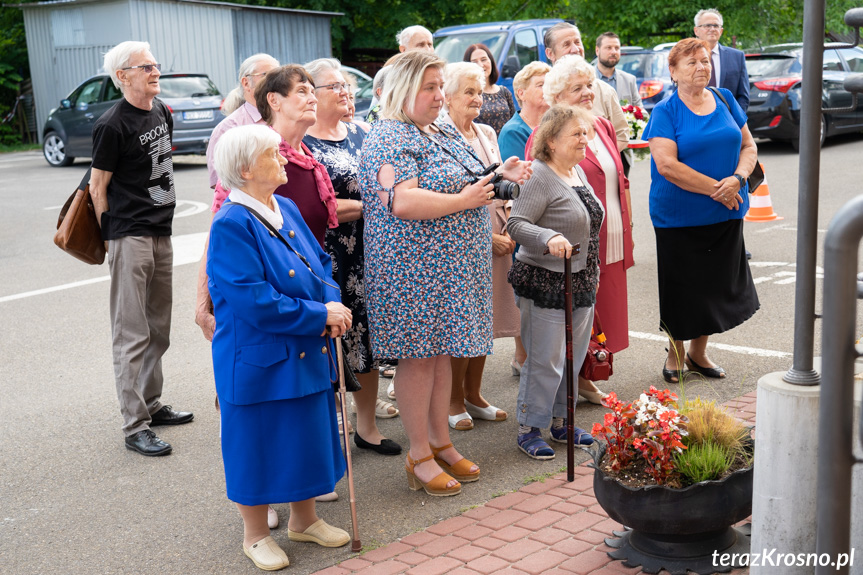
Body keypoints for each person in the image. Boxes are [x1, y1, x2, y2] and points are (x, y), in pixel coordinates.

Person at [358, 50, 521, 496]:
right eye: (429, 88)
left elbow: (469, 179)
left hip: (450, 271)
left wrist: (500, 174)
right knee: (419, 361)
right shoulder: (389, 136)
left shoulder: (438, 128)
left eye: (439, 86)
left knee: (443, 354)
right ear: (403, 89)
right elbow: (402, 201)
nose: (437, 95)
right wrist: (464, 202)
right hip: (412, 271)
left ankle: (441, 442)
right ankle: (419, 454)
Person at [208, 125, 351, 571]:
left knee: (305, 434)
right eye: (274, 154)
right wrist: (317, 316)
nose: (285, 159)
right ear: (246, 169)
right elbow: (254, 301)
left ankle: (304, 520)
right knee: (257, 444)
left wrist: (331, 300)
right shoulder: (232, 223)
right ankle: (254, 536)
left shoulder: (282, 206)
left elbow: (320, 261)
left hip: (304, 345)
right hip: (259, 356)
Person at [89, 41, 192, 457]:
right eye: (144, 66)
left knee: (157, 327)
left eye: (155, 64)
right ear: (123, 76)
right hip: (128, 235)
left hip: (161, 231)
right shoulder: (111, 125)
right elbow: (98, 187)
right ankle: (135, 425)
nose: (154, 71)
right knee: (131, 333)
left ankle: (151, 402)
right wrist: (112, 239)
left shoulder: (162, 111)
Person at [641, 38, 759, 383]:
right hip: (679, 217)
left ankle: (698, 353)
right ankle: (676, 353)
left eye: (705, 61)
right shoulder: (665, 111)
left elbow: (748, 146)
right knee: (683, 287)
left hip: (727, 212)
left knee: (714, 285)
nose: (701, 68)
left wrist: (737, 179)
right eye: (691, 63)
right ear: (673, 71)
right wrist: (717, 190)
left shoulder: (724, 98)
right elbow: (667, 166)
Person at [302, 58, 401, 456]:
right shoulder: (302, 144)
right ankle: (328, 430)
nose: (346, 92)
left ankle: (367, 426)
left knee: (368, 336)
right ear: (312, 95)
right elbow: (316, 204)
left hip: (370, 251)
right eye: (335, 87)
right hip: (330, 254)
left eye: (346, 85)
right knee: (332, 339)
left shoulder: (363, 132)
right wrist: (372, 206)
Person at [530, 55, 633, 405]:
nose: (589, 92)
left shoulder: (601, 124)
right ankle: (576, 384)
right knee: (580, 318)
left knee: (606, 310)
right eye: (578, 88)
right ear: (558, 96)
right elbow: (536, 191)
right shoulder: (545, 135)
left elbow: (618, 178)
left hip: (611, 232)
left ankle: (587, 374)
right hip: (574, 244)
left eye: (590, 85)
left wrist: (626, 222)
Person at [440, 62, 533, 430]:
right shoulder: (441, 136)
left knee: (485, 319)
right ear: (446, 95)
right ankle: (452, 400)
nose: (477, 99)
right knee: (463, 321)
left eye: (480, 92)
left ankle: (474, 394)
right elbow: (449, 196)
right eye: (468, 92)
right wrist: (485, 238)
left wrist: (509, 224)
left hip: (497, 230)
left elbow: (498, 185)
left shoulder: (483, 132)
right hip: (463, 238)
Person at [507, 105, 600, 459]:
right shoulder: (539, 176)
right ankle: (530, 426)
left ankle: (562, 420)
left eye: (584, 132)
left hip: (582, 279)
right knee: (546, 358)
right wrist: (547, 237)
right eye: (576, 133)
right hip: (546, 281)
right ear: (551, 141)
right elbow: (516, 224)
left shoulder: (575, 172)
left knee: (571, 357)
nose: (584, 139)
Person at [543, 22, 629, 152]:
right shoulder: (540, 94)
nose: (575, 49)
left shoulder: (604, 91)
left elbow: (621, 135)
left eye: (577, 42)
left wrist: (601, 160)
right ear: (550, 54)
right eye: (566, 44)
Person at [206, 54, 280, 190]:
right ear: (246, 83)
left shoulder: (286, 117)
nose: (275, 82)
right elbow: (222, 185)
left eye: (277, 76)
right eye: (266, 75)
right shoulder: (229, 128)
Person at [594, 32, 641, 176]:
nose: (613, 52)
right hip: (595, 149)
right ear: (597, 50)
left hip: (623, 152)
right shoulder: (587, 80)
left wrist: (634, 121)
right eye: (608, 47)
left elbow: (640, 110)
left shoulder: (629, 79)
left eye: (616, 48)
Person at [694, 8, 750, 111]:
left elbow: (743, 96)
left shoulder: (737, 57)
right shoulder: (686, 57)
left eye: (716, 25)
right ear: (696, 30)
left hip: (727, 121)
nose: (712, 29)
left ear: (721, 30)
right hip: (695, 120)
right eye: (707, 25)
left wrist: (735, 120)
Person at [498, 61, 550, 161]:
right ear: (521, 94)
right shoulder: (512, 132)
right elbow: (524, 174)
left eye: (549, 85)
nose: (548, 89)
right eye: (540, 85)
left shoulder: (554, 125)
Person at [463, 43, 516, 135]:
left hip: (505, 146)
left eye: (484, 59)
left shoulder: (504, 92)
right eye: (474, 62)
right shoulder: (466, 95)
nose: (480, 65)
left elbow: (514, 123)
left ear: (491, 61)